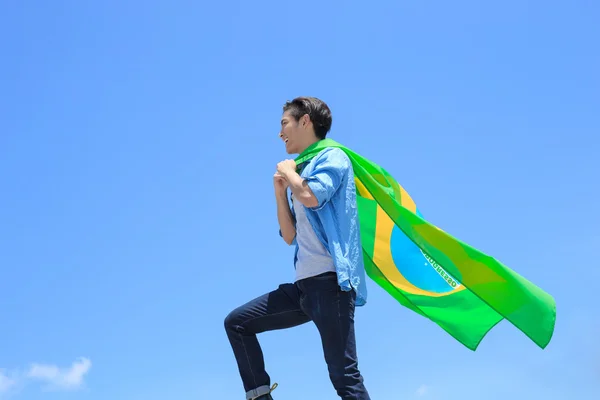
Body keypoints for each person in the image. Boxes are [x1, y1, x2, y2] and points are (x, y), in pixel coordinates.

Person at [224, 97, 370, 400]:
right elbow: (289, 235)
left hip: (332, 286)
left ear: (305, 121)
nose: (280, 133)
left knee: (344, 376)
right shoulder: (301, 169)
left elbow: (312, 196)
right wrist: (280, 193)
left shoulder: (333, 157)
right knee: (237, 323)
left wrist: (290, 174)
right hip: (304, 290)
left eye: (284, 123)